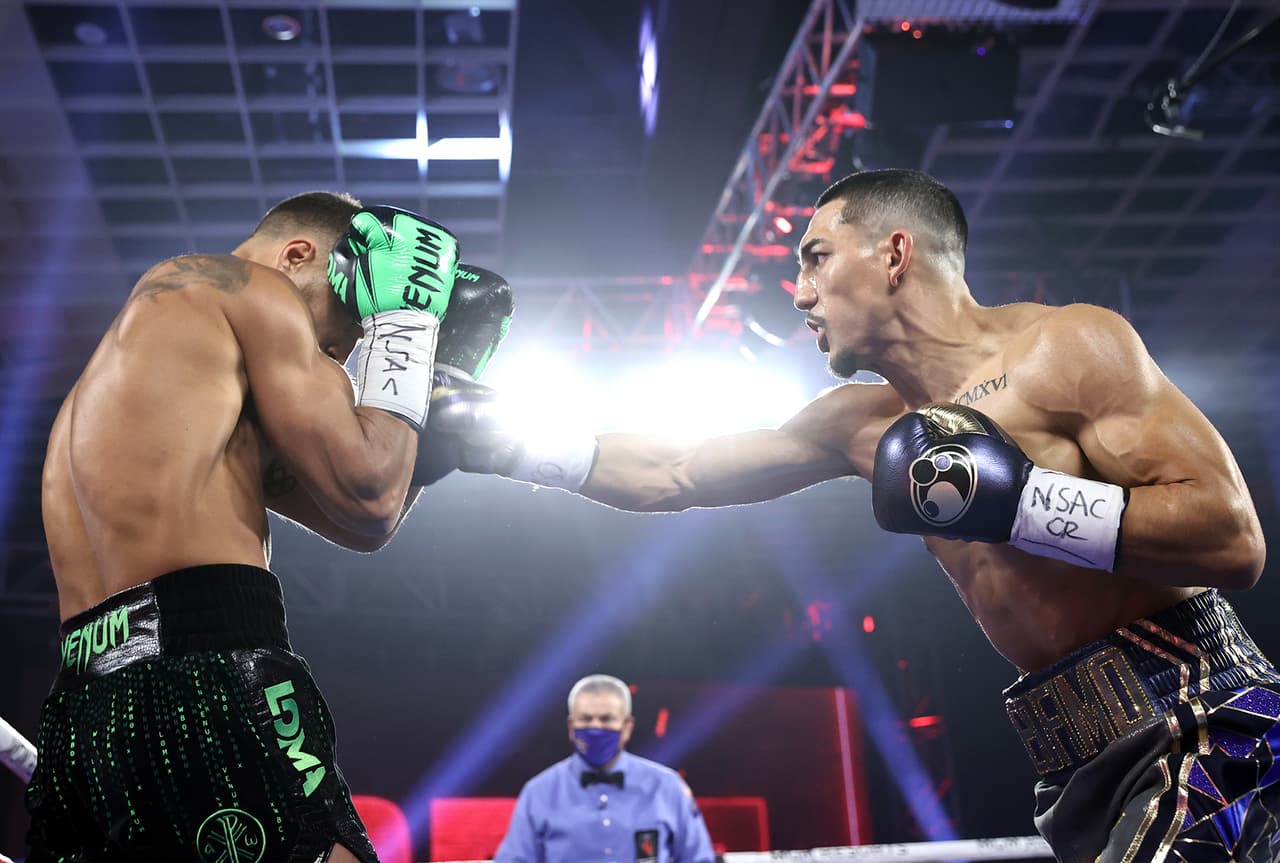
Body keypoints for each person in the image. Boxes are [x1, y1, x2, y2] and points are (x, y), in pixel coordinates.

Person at [429, 168, 1277, 861]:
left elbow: (1232, 537)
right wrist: (508, 443)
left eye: (816, 257)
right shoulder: (859, 426)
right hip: (1080, 757)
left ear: (895, 252)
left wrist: (1023, 502)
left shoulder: (1068, 347)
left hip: (1201, 715)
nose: (799, 292)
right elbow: (677, 469)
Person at [27, 192, 512, 861]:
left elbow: (365, 521)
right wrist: (407, 322)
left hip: (85, 710)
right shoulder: (248, 287)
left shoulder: (138, 387)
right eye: (342, 326)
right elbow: (371, 491)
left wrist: (435, 408)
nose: (338, 353)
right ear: (297, 256)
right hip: (206, 675)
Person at [495, 675, 715, 863]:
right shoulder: (538, 793)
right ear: (571, 727)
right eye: (586, 719)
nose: (596, 727)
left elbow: (699, 859)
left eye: (606, 719)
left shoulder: (667, 787)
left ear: (627, 726)